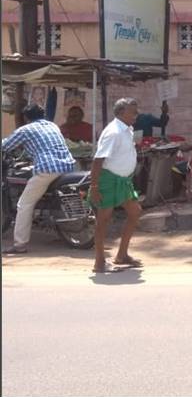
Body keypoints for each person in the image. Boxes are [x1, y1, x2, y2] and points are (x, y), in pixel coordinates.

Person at [1, 105, 76, 255]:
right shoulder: (52, 125)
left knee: (24, 204)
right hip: (68, 166)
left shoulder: (25, 130)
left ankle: (19, 245)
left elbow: (6, 145)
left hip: (48, 169)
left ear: (26, 118)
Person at [89, 97, 144, 274]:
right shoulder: (113, 132)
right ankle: (99, 263)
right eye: (132, 111)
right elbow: (98, 160)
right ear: (121, 113)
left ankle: (122, 255)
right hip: (108, 180)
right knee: (103, 220)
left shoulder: (126, 129)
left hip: (123, 181)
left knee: (135, 212)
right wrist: (95, 187)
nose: (136, 114)